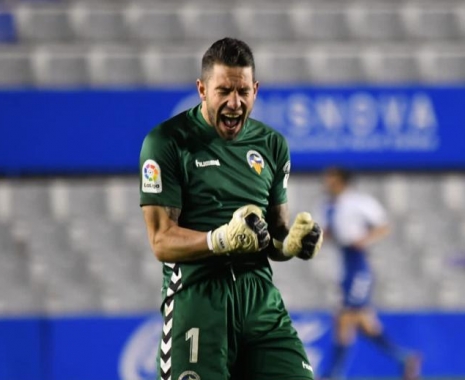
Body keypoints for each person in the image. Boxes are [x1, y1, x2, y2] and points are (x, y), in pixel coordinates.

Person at [140, 37, 324, 380]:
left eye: (243, 91)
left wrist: (292, 244)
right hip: (197, 300)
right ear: (202, 89)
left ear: (255, 89)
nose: (234, 103)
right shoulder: (167, 142)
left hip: (260, 303)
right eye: (223, 91)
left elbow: (274, 235)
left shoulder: (272, 145)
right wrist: (220, 239)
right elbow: (161, 240)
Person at [320, 167, 421, 380]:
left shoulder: (358, 202)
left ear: (341, 180)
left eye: (330, 177)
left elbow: (383, 226)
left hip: (358, 265)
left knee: (345, 318)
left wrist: (364, 239)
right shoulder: (327, 205)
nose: (326, 181)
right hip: (343, 264)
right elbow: (329, 233)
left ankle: (333, 374)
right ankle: (405, 358)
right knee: (365, 324)